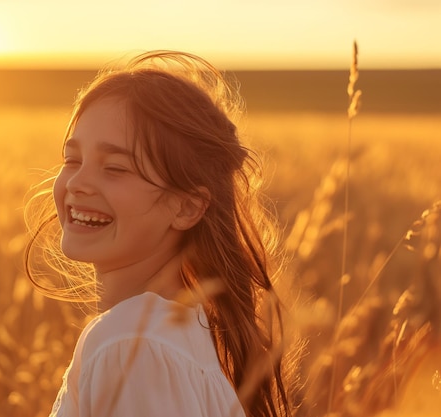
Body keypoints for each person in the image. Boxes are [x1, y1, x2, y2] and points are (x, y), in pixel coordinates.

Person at [25, 50, 294, 417]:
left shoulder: (129, 345)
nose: (78, 182)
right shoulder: (189, 336)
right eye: (73, 159)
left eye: (115, 168)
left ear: (185, 207)